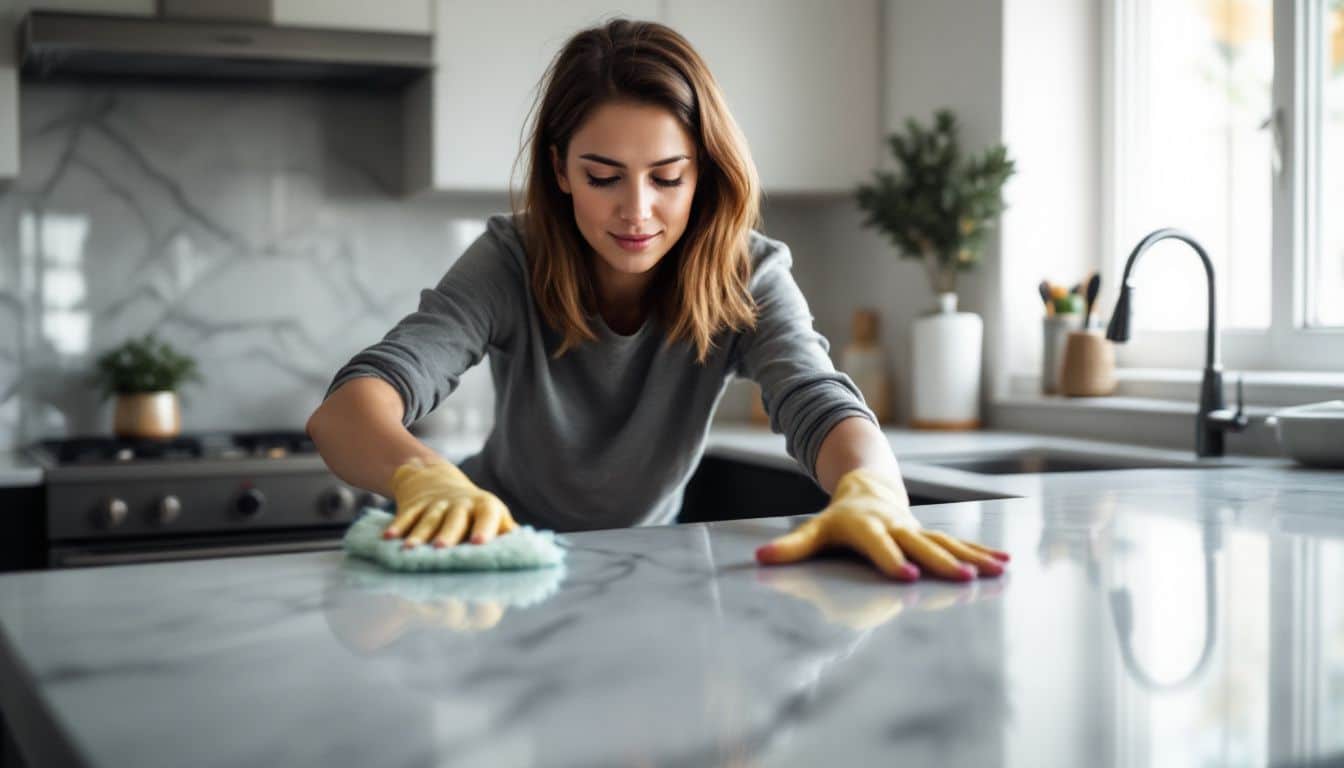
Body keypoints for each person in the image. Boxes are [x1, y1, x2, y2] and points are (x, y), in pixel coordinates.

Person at [305, 18, 1008, 582]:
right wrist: (429, 478)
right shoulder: (511, 258)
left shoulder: (747, 271)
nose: (636, 211)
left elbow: (817, 399)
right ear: (560, 171)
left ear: (702, 172)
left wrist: (872, 488)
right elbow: (349, 410)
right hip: (496, 558)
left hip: (649, 566)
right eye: (604, 176)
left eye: (667, 177)